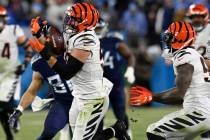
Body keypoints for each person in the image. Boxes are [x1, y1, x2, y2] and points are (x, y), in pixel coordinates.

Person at [28, 2, 114, 140]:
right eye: (69, 17)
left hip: (93, 98)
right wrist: (40, 35)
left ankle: (115, 130)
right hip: (79, 95)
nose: (68, 21)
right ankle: (115, 130)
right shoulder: (75, 33)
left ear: (85, 22)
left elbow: (67, 72)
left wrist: (43, 52)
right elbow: (57, 50)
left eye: (73, 19)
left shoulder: (87, 39)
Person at [130, 21, 210, 139]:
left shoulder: (185, 55)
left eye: (170, 38)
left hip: (198, 113)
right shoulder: (193, 55)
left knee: (154, 131)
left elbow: (179, 94)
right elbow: (182, 95)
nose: (167, 42)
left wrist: (151, 97)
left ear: (180, 39)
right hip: (202, 112)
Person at [8, 50, 73, 140]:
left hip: (83, 100)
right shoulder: (40, 62)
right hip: (63, 103)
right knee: (48, 132)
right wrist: (18, 111)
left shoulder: (74, 49)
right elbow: (32, 91)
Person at [95, 18, 135, 138]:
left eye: (99, 28)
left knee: (120, 113)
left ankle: (126, 133)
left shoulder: (113, 41)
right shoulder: (88, 42)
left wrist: (131, 69)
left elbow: (129, 55)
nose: (97, 31)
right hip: (98, 86)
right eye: (95, 28)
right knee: (98, 118)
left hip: (115, 83)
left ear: (105, 28)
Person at [0, 5, 33, 140]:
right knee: (2, 107)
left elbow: (28, 47)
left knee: (2, 104)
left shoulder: (13, 30)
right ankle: (10, 132)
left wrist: (25, 63)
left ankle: (9, 133)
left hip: (11, 72)